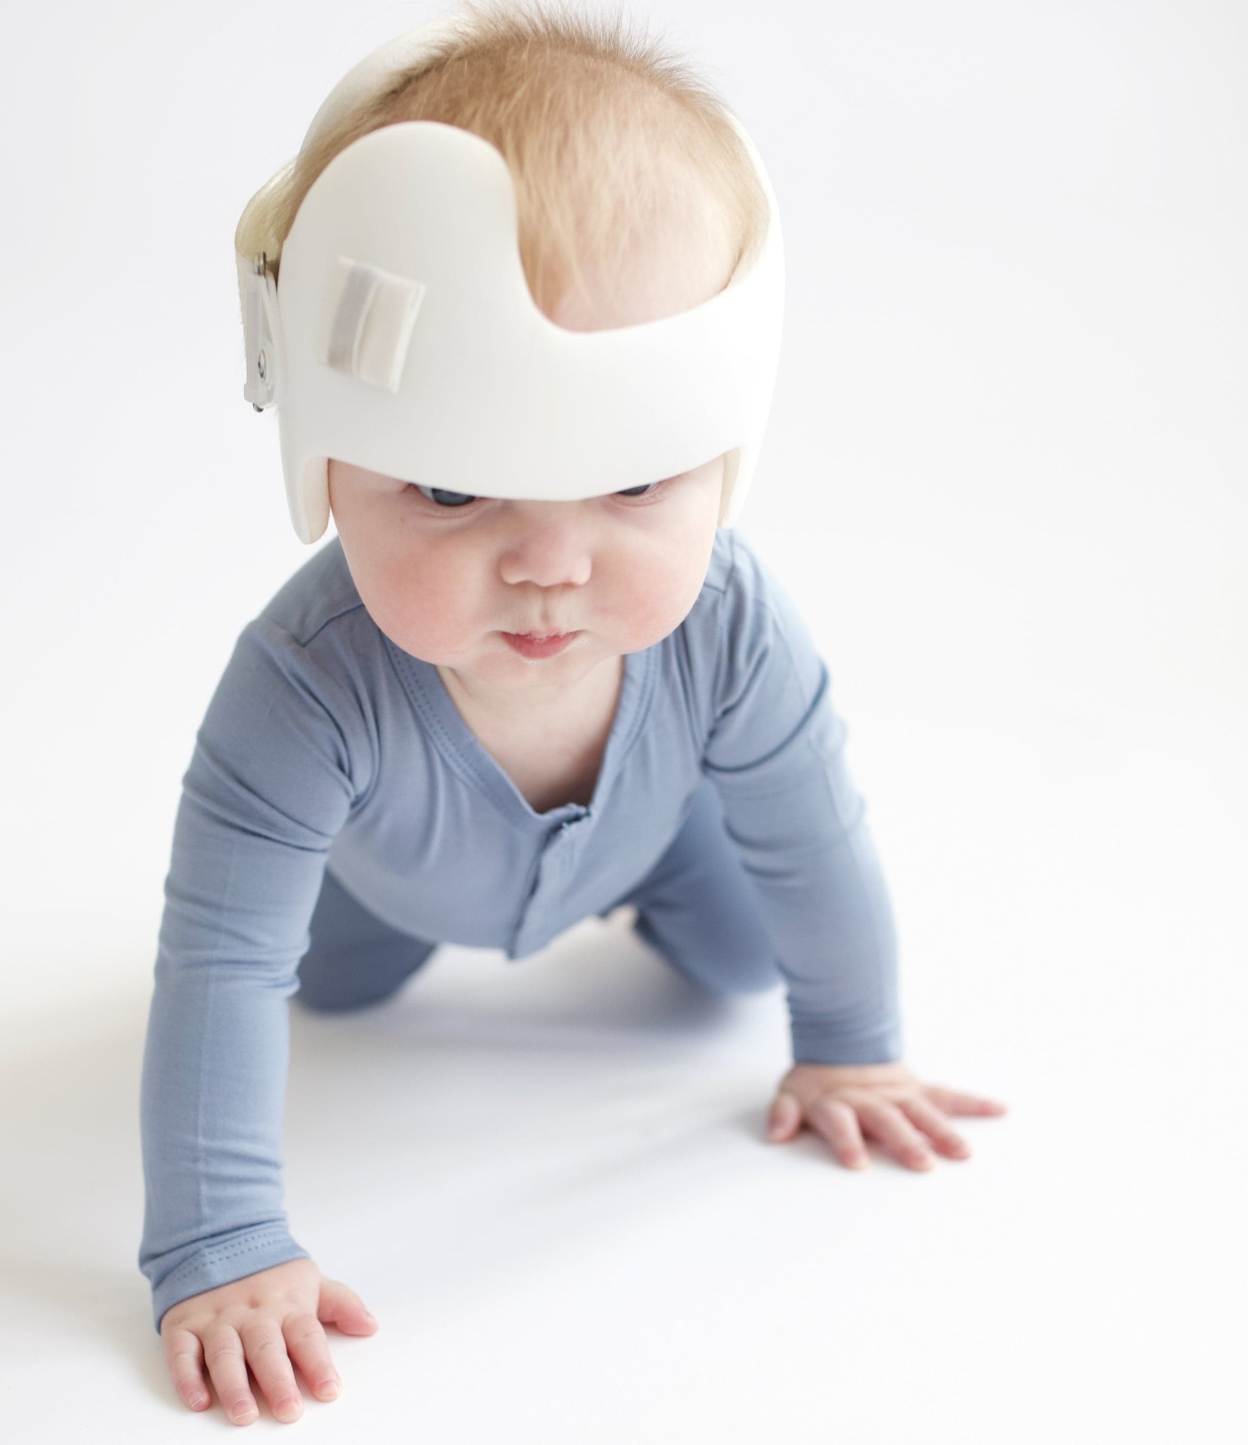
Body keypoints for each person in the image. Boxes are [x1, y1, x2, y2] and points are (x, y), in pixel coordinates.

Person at [140, 2, 1006, 1426]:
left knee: (734, 955)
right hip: (384, 883)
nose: (551, 562)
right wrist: (215, 1241)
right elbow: (220, 963)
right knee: (330, 985)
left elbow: (808, 834)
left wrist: (851, 1033)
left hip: (665, 843)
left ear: (721, 452)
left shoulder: (726, 618)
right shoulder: (301, 688)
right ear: (324, 452)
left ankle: (670, 901)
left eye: (631, 482)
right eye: (448, 487)